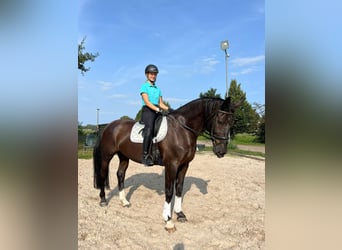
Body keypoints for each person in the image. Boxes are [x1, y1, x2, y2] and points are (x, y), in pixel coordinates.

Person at [140, 64, 169, 166]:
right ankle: (145, 155)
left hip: (157, 110)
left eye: (155, 74)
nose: (153, 76)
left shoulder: (158, 89)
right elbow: (147, 102)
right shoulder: (144, 86)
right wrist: (158, 109)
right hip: (148, 111)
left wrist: (170, 110)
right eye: (151, 74)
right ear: (147, 75)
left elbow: (161, 103)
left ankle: (158, 155)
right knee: (150, 129)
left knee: (163, 128)